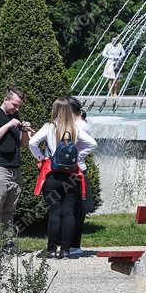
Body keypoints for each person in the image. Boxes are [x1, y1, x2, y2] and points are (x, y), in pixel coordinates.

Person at [29, 98, 97, 259]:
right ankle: (66, 250)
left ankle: (52, 249)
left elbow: (32, 143)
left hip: (52, 174)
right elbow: (93, 144)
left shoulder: (49, 127)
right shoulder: (75, 128)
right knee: (69, 213)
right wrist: (78, 158)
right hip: (72, 176)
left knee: (54, 212)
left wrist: (42, 158)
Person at [0, 87, 32, 230]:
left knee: (9, 211)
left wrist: (25, 131)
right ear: (6, 99)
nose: (17, 109)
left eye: (19, 106)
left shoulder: (15, 118)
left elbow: (22, 144)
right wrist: (8, 125)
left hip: (15, 169)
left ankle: (6, 246)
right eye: (15, 105)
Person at [65, 96, 95, 258]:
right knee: (76, 209)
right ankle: (71, 244)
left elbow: (90, 145)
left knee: (74, 209)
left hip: (75, 170)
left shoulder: (79, 126)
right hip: (77, 170)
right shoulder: (79, 125)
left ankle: (70, 244)